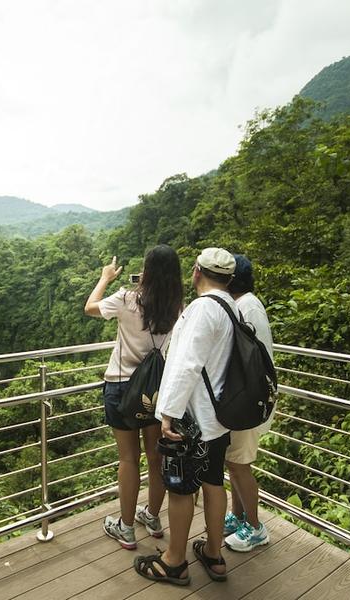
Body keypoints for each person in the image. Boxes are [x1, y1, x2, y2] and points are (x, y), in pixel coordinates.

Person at [134, 247, 236, 586]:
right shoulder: (231, 307)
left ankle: (174, 562)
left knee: (179, 489)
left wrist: (168, 415)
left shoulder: (201, 309)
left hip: (192, 420)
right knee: (213, 482)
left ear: (196, 272)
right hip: (219, 418)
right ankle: (213, 554)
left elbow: (186, 363)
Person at [85, 245, 184, 550]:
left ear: (147, 270)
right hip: (156, 390)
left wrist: (105, 278)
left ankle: (126, 528)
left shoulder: (127, 299)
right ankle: (152, 517)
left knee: (129, 459)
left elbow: (90, 307)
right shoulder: (178, 306)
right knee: (156, 458)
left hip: (121, 388)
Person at [223, 254, 275, 551]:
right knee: (234, 461)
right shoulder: (248, 303)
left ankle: (256, 528)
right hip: (247, 399)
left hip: (248, 401)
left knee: (240, 465)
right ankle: (238, 516)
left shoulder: (244, 308)